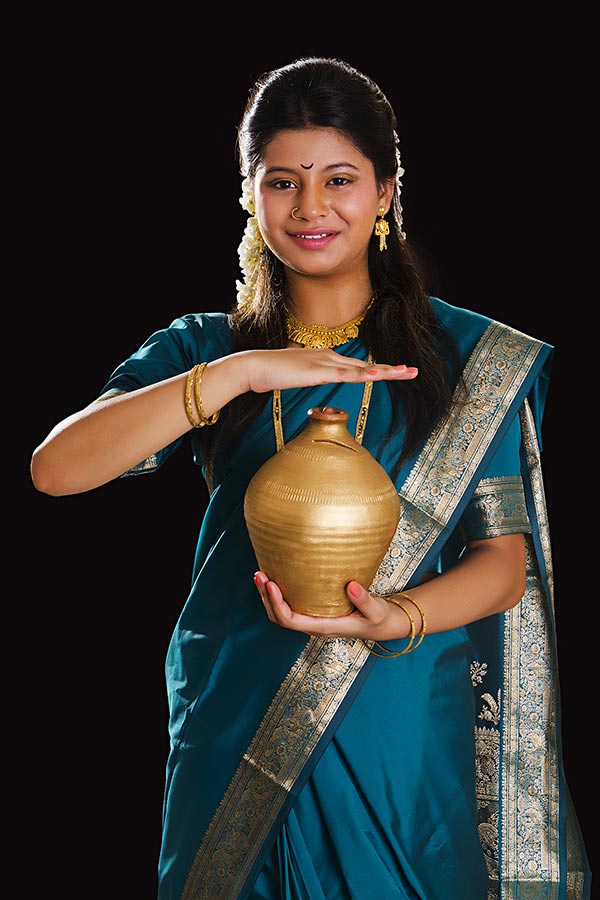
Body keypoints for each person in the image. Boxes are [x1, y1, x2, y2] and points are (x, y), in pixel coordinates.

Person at [30, 56, 591, 900]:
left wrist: (394, 616)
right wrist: (239, 374)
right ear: (250, 195)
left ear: (388, 192)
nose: (312, 208)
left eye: (340, 179)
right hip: (235, 709)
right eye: (283, 182)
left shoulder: (467, 359)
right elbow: (55, 471)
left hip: (399, 718)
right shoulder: (204, 350)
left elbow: (503, 566)